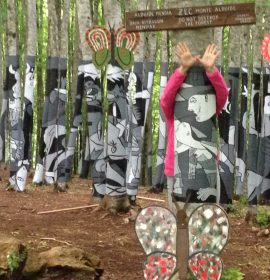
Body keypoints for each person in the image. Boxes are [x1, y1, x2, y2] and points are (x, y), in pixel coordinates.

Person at [160, 42, 229, 212]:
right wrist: (183, 69)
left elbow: (222, 94)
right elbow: (166, 97)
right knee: (180, 221)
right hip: (176, 171)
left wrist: (211, 70)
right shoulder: (172, 112)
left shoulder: (210, 112)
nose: (190, 107)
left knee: (205, 222)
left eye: (194, 100)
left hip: (207, 173)